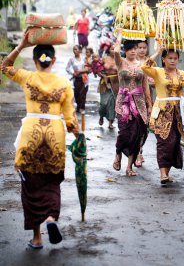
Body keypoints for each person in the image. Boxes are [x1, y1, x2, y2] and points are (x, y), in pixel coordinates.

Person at [0, 33, 80, 249]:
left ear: (36, 60)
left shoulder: (28, 77)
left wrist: (22, 45)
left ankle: (37, 238)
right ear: (53, 61)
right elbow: (70, 118)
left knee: (31, 186)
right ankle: (52, 219)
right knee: (52, 181)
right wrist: (77, 133)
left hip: (31, 136)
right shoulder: (64, 84)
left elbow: (4, 67)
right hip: (55, 135)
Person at [141, 47, 184, 185]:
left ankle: (166, 173)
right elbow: (144, 66)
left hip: (177, 114)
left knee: (174, 142)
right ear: (163, 59)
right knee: (164, 142)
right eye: (169, 58)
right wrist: (158, 51)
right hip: (162, 112)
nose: (173, 61)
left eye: (175, 58)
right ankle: (162, 174)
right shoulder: (158, 72)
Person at [113, 29, 152, 177]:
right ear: (125, 50)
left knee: (137, 135)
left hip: (139, 102)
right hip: (123, 102)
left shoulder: (142, 65)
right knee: (124, 133)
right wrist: (120, 35)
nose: (133, 52)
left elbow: (145, 86)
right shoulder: (120, 62)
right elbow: (116, 52)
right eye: (129, 49)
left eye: (134, 49)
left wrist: (149, 105)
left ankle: (129, 167)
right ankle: (118, 154)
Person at [135, 39, 155, 167]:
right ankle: (137, 153)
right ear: (135, 49)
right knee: (135, 128)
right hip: (133, 100)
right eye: (140, 47)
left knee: (144, 128)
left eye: (144, 48)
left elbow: (154, 80)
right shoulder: (131, 63)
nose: (142, 50)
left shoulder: (150, 63)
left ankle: (140, 149)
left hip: (147, 99)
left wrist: (149, 83)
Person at [95, 45, 119, 130]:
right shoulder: (104, 58)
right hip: (104, 83)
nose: (114, 50)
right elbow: (97, 67)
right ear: (109, 50)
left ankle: (110, 122)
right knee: (103, 103)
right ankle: (101, 115)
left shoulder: (119, 59)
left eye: (115, 48)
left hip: (116, 83)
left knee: (112, 103)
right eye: (112, 49)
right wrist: (100, 74)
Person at [66, 45, 88, 113]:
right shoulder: (71, 59)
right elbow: (67, 68)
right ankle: (78, 106)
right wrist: (73, 73)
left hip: (84, 78)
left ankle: (82, 107)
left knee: (83, 93)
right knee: (76, 94)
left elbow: (88, 67)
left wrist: (82, 71)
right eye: (73, 49)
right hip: (76, 79)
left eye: (76, 49)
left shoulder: (84, 58)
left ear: (80, 50)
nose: (74, 51)